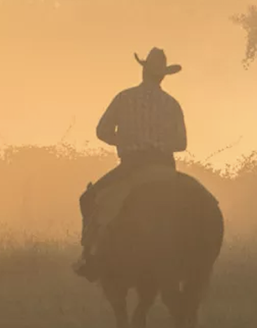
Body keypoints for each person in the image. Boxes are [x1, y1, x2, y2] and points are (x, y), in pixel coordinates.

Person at [73, 48, 187, 279]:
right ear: (163, 76)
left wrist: (123, 140)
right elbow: (181, 143)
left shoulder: (124, 98)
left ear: (143, 72)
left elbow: (102, 131)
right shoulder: (172, 104)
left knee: (89, 199)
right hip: (165, 166)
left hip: (133, 166)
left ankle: (90, 256)